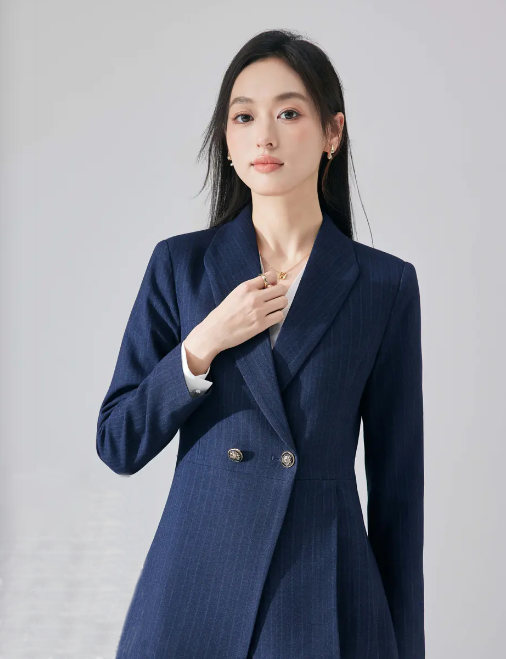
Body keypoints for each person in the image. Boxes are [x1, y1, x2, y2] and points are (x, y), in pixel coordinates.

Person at [96, 28, 425, 659]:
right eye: (244, 117)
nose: (264, 137)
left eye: (289, 113)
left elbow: (398, 495)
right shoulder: (180, 267)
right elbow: (118, 442)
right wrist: (203, 344)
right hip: (191, 595)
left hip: (319, 597)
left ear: (332, 133)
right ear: (226, 139)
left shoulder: (384, 285)